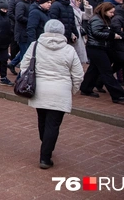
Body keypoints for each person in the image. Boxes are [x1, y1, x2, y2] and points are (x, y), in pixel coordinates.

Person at [19, 20, 84, 169]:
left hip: (39, 89)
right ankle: (45, 156)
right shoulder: (69, 50)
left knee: (42, 119)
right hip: (61, 91)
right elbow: (78, 74)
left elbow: (24, 66)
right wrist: (72, 90)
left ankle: (45, 145)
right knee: (53, 124)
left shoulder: (35, 46)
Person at [79, 3, 124, 103]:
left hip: (98, 47)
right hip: (96, 47)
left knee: (94, 69)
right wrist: (112, 35)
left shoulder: (102, 19)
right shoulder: (97, 19)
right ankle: (117, 95)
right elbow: (96, 33)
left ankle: (86, 88)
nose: (112, 14)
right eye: (111, 12)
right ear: (104, 11)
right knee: (106, 71)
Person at [9, 0, 34, 72]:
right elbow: (19, 17)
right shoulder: (20, 4)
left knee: (25, 51)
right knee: (25, 54)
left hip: (25, 32)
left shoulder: (29, 4)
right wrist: (30, 21)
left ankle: (12, 63)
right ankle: (22, 77)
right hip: (21, 32)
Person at [69, 0, 91, 64]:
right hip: (74, 31)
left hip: (79, 32)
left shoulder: (78, 10)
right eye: (77, 0)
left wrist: (87, 6)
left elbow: (88, 16)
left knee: (80, 52)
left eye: (79, 1)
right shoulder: (70, 9)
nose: (78, 2)